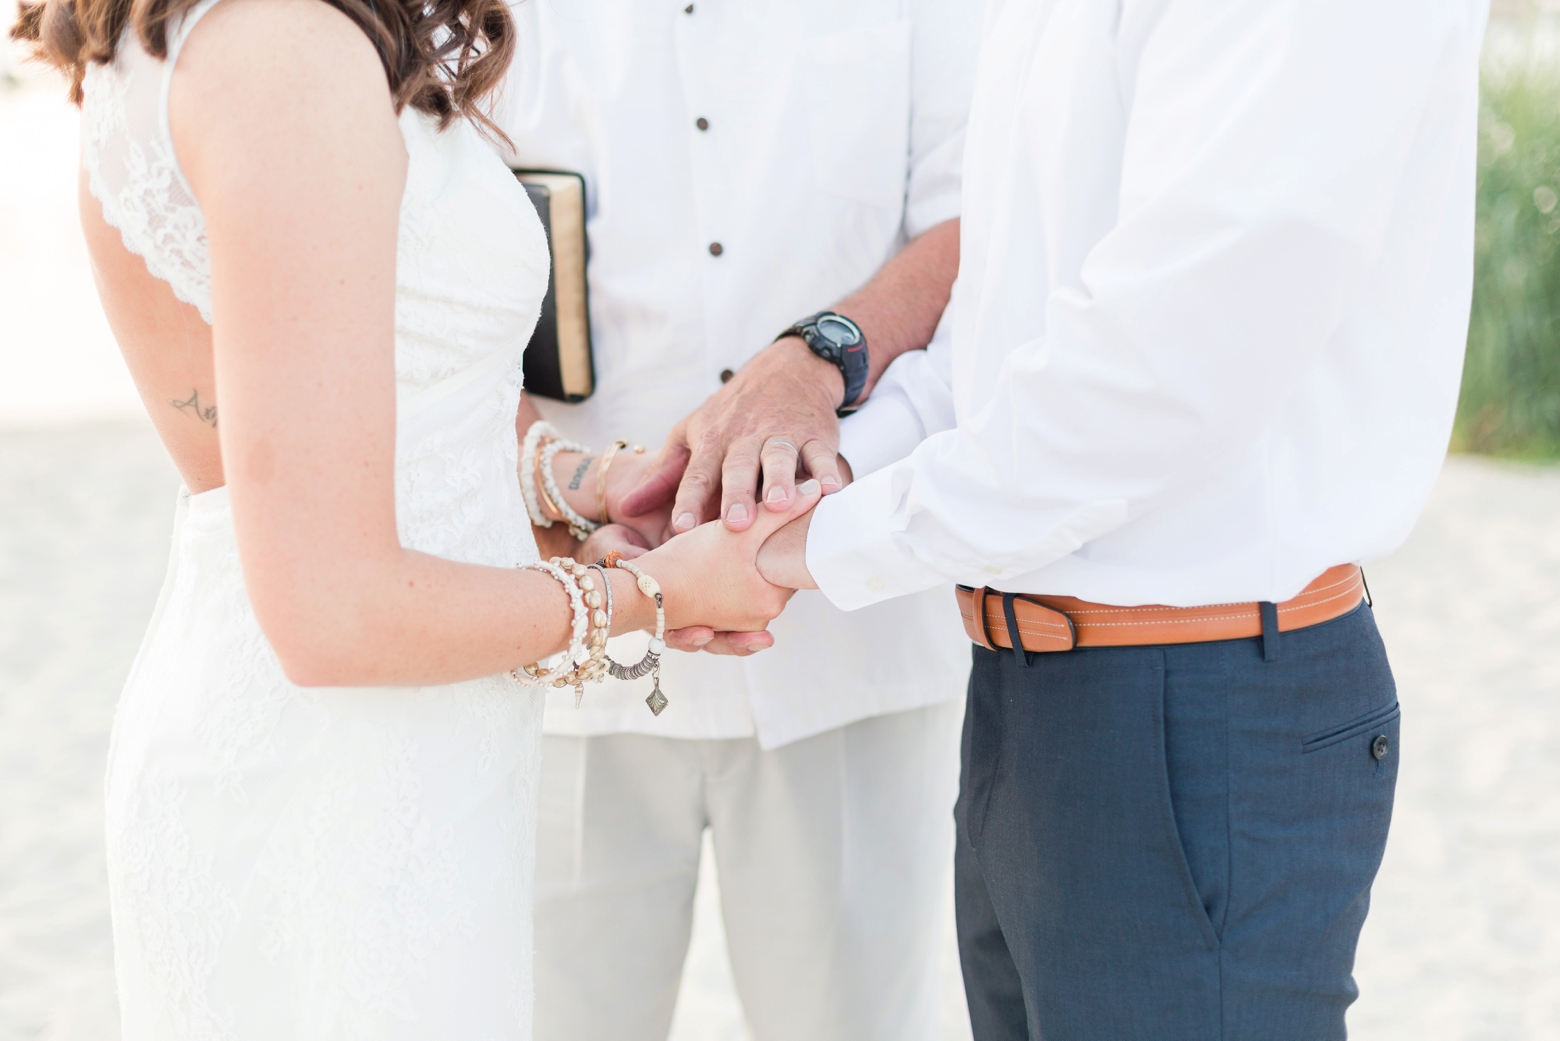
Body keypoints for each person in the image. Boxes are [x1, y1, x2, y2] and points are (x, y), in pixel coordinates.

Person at [11, 0, 806, 1035]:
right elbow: (333, 611)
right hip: (338, 787)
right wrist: (656, 594)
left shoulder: (191, 37)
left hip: (374, 761)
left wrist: (574, 483)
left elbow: (300, 448)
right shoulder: (281, 50)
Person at [749, 0, 1491, 1038]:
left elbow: (1163, 377)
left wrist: (804, 551)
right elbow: (1000, 339)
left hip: (1206, 708)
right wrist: (785, 495)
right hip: (1030, 697)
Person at [493, 5, 981, 1038]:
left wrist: (816, 356)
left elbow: (980, 224)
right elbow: (427, 294)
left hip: (848, 634)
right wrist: (577, 493)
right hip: (564, 638)